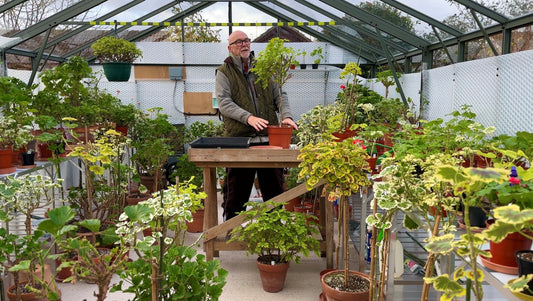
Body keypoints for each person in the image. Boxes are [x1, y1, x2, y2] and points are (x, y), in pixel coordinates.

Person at [215, 30, 298, 220]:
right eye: (238, 42)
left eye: (246, 40)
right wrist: (248, 117)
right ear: (229, 48)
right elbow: (224, 103)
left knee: (274, 187)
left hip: (270, 139)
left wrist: (286, 115)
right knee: (236, 189)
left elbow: (280, 95)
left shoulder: (264, 68)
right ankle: (231, 230)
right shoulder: (224, 72)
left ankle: (274, 229)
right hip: (240, 140)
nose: (244, 44)